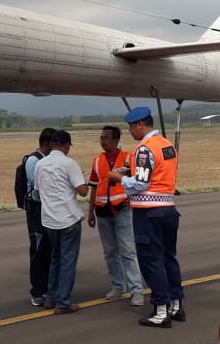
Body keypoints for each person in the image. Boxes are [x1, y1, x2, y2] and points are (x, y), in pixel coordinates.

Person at [107, 107, 183, 328]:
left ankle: (160, 310)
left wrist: (118, 178)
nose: (130, 132)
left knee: (151, 261)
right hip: (168, 209)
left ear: (140, 125)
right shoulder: (167, 145)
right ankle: (176, 304)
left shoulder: (144, 149)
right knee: (169, 258)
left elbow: (141, 183)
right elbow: (157, 173)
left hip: (149, 212)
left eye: (131, 127)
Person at [87, 125, 144, 306]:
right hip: (103, 212)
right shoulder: (97, 161)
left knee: (128, 251)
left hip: (122, 211)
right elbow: (94, 187)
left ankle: (136, 290)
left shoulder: (129, 158)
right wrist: (91, 212)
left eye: (107, 138)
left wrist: (133, 200)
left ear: (116, 140)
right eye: (101, 138)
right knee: (110, 252)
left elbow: (140, 182)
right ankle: (118, 286)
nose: (103, 141)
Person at [34, 129, 89, 314]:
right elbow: (83, 191)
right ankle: (63, 302)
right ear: (66, 145)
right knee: (68, 262)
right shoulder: (69, 164)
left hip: (49, 219)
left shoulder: (40, 164)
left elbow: (38, 192)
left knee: (55, 259)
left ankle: (51, 297)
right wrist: (82, 180)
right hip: (68, 218)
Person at [25, 127, 57, 307]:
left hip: (47, 210)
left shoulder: (45, 160)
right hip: (37, 211)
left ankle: (47, 288)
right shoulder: (33, 161)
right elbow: (38, 190)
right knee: (38, 251)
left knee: (48, 251)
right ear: (47, 144)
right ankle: (37, 291)